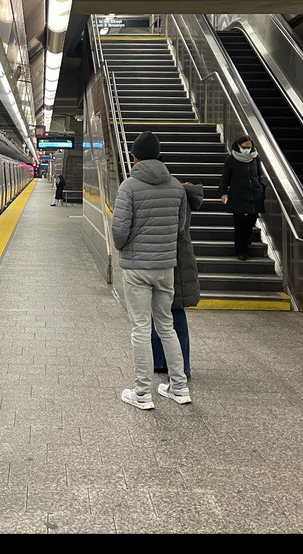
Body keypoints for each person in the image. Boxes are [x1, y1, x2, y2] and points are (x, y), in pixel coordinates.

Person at [111, 131, 192, 409]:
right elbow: (181, 228)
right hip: (165, 267)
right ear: (159, 155)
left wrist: (127, 247)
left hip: (137, 268)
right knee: (166, 326)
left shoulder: (129, 187)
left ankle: (142, 393)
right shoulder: (178, 187)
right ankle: (179, 388)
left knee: (141, 329)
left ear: (135, 157)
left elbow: (119, 230)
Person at [152, 180, 204, 378]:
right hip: (181, 260)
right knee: (176, 313)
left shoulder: (166, 196)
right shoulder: (181, 193)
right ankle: (180, 365)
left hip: (164, 259)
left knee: (159, 312)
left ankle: (161, 362)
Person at [219, 135, 266, 261]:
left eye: (249, 147)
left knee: (251, 219)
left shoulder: (255, 157)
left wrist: (261, 187)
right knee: (239, 224)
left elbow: (259, 174)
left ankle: (245, 239)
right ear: (238, 146)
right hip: (237, 194)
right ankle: (241, 250)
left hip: (254, 194)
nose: (247, 149)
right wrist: (223, 192)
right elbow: (225, 177)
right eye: (245, 147)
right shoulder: (231, 159)